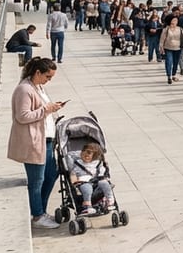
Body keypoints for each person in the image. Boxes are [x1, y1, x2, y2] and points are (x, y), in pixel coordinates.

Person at [8, 57, 65, 230]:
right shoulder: (24, 90)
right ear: (37, 73)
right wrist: (46, 109)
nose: (49, 81)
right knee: (37, 180)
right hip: (33, 141)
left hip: (45, 140)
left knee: (51, 174)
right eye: (47, 77)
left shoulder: (37, 87)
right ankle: (37, 215)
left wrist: (52, 108)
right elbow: (22, 116)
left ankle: (40, 209)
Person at [68, 142, 113, 216]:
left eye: (89, 154)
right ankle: (87, 204)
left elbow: (102, 172)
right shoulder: (77, 163)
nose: (86, 155)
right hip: (83, 182)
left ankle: (109, 199)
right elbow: (73, 173)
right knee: (87, 187)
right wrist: (74, 182)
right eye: (84, 152)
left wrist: (103, 176)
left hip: (95, 182)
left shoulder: (97, 163)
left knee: (104, 183)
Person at [159, 15, 183, 84]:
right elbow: (162, 39)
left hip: (178, 48)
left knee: (175, 62)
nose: (175, 22)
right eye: (173, 20)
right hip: (168, 48)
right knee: (169, 62)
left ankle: (174, 74)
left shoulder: (180, 29)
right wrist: (161, 47)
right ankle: (169, 76)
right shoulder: (166, 29)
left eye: (176, 20)